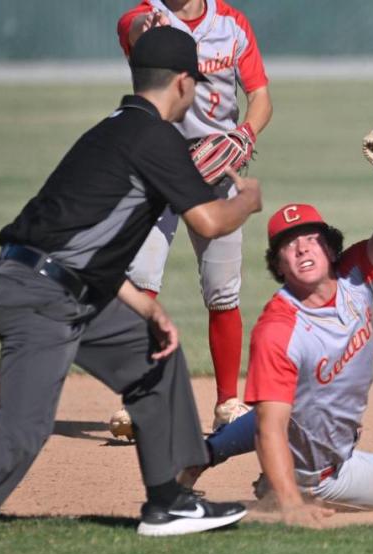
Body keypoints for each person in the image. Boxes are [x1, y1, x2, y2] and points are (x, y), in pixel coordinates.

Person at [0, 27, 262, 536]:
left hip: (62, 285)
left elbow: (81, 242)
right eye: (195, 84)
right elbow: (209, 222)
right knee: (24, 428)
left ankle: (168, 501)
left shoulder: (111, 130)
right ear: (182, 82)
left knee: (155, 357)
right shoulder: (155, 137)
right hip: (42, 296)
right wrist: (247, 199)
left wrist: (147, 308)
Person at [180, 131, 373, 525]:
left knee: (300, 397)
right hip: (321, 475)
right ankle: (287, 486)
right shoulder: (278, 329)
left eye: (310, 239)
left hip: (334, 449)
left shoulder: (356, 277)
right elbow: (268, 423)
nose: (301, 248)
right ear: (278, 266)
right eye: (288, 245)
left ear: (330, 249)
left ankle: (257, 472)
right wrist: (291, 506)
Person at [115, 0, 272, 427]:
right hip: (155, 164)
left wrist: (243, 135)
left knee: (223, 291)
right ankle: (137, 398)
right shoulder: (145, 16)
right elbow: (132, 31)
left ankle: (227, 403)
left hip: (216, 166)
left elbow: (260, 96)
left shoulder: (233, 23)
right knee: (142, 280)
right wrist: (144, 31)